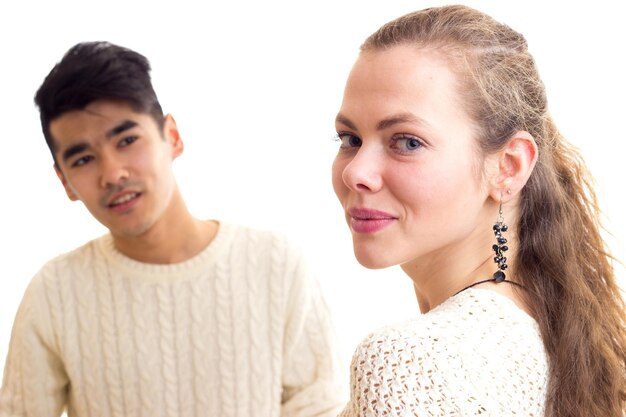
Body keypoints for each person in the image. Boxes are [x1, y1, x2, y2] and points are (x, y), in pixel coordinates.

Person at [0, 41, 345, 417]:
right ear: (65, 181)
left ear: (173, 137)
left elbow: (318, 408)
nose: (113, 173)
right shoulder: (54, 294)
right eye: (83, 159)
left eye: (127, 140)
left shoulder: (276, 265)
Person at [331, 5, 626, 417]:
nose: (356, 173)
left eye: (407, 141)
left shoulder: (410, 363)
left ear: (508, 167)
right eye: (349, 138)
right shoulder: (561, 337)